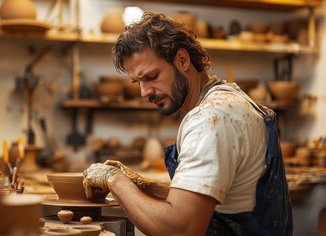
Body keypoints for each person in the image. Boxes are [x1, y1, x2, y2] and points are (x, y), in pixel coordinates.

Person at [83, 12, 292, 235]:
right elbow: (208, 203)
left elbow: (181, 229)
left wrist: (114, 180)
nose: (144, 92)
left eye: (152, 76)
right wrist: (142, 185)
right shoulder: (229, 99)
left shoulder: (212, 118)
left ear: (182, 61)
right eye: (138, 82)